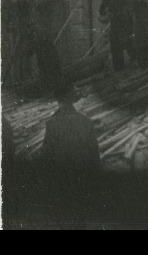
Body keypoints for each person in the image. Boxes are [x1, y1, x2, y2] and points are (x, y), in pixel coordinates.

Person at [41, 83, 101, 226]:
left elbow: (46, 155)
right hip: (82, 179)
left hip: (61, 181)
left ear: (58, 100)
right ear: (72, 98)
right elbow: (94, 155)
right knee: (80, 218)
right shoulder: (85, 122)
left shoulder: (52, 123)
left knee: (65, 218)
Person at [99, 0, 132, 71]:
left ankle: (133, 61)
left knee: (127, 41)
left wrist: (125, 12)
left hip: (126, 22)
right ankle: (118, 67)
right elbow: (102, 8)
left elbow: (130, 5)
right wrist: (103, 14)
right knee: (115, 44)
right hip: (115, 22)